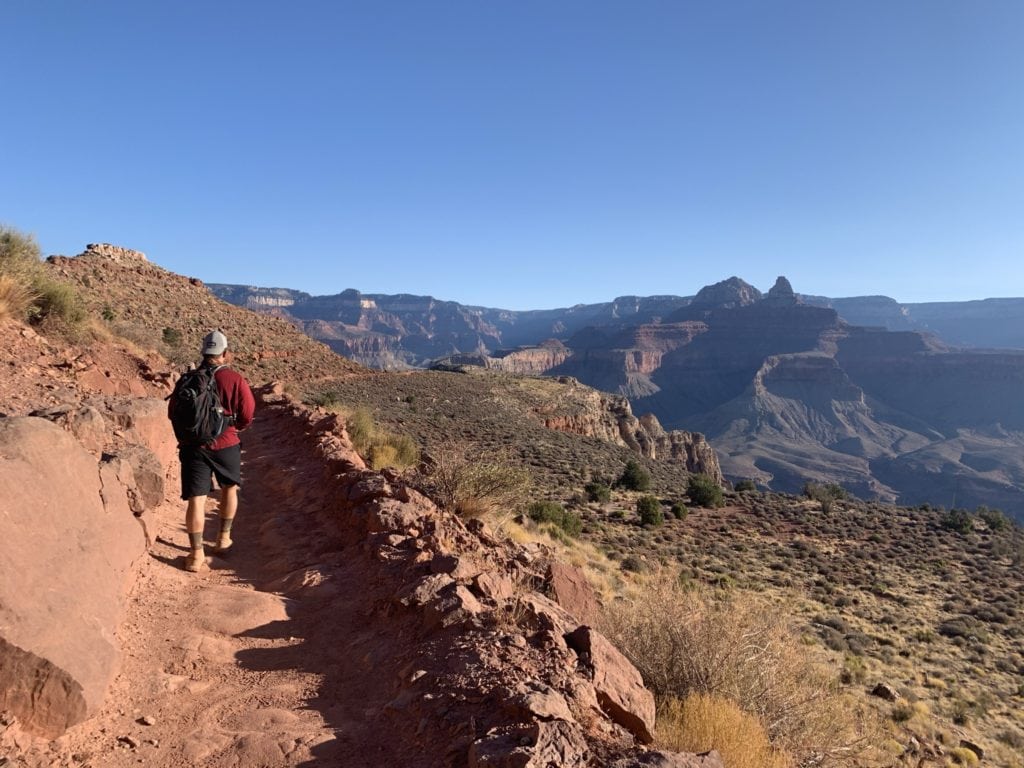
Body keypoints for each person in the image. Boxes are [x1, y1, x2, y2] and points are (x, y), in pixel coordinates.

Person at [168, 330, 256, 573]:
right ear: (225, 354)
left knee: (196, 499)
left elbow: (172, 411)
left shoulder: (188, 379)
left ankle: (196, 555)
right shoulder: (234, 379)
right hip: (226, 442)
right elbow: (248, 413)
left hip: (193, 446)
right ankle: (223, 539)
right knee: (229, 488)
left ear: (204, 353)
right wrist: (234, 427)